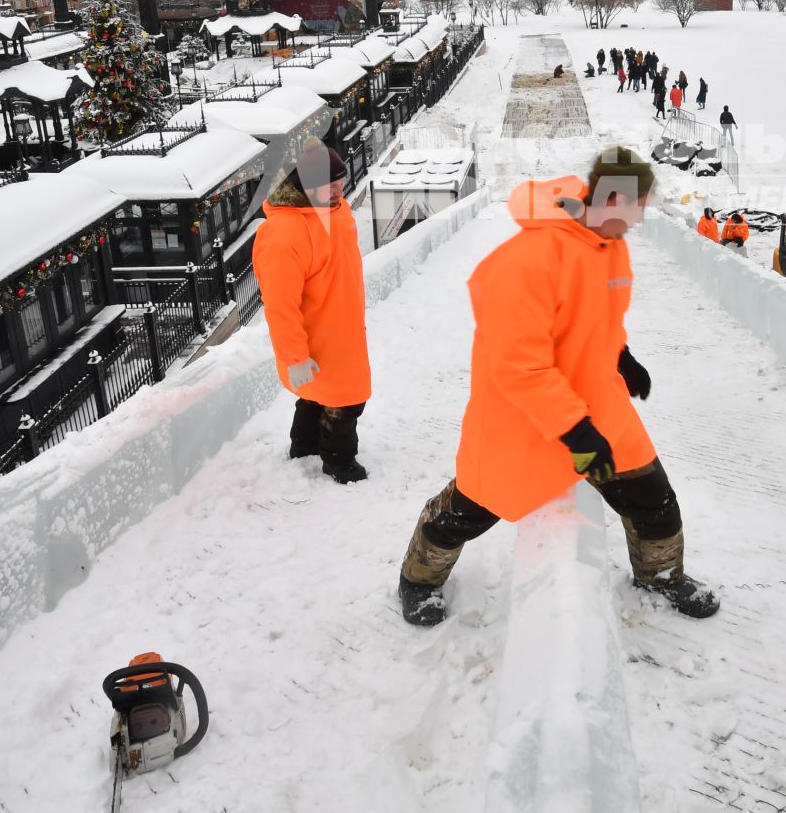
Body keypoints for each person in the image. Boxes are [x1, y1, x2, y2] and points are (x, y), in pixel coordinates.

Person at [396, 146, 719, 625]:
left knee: (653, 498)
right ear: (610, 200)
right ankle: (418, 579)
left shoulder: (608, 244)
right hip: (524, 419)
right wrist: (576, 431)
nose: (638, 222)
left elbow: (599, 319)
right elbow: (519, 366)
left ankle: (661, 575)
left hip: (598, 406)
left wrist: (621, 356)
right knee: (470, 506)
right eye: (636, 210)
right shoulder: (528, 262)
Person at [251, 144, 371, 484]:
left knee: (319, 395)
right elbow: (279, 303)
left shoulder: (337, 209)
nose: (338, 189)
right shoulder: (282, 233)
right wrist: (295, 357)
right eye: (328, 184)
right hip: (316, 335)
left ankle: (303, 446)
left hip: (342, 327)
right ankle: (339, 460)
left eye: (340, 180)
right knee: (348, 399)